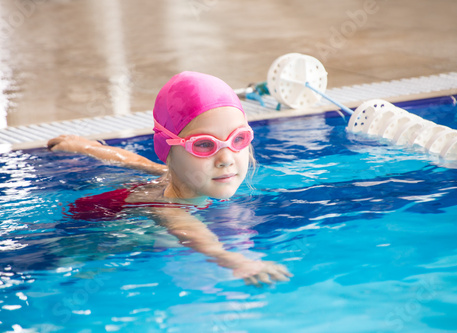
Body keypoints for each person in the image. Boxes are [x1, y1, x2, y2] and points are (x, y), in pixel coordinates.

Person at [48, 71, 292, 286]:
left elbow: (135, 162)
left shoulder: (175, 176)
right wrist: (235, 260)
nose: (226, 159)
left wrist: (85, 146)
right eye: (204, 145)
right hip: (89, 229)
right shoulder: (167, 207)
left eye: (238, 139)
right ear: (169, 152)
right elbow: (195, 234)